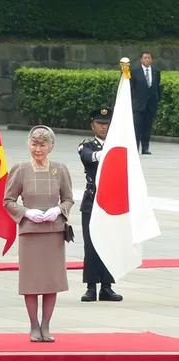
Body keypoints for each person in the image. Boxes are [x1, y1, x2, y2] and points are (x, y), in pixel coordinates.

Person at [3, 125, 74, 343]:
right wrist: (26, 212)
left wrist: (58, 210)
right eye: (34, 144)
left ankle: (46, 325)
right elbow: (8, 200)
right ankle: (33, 325)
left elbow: (68, 198)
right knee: (32, 282)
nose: (38, 149)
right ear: (28, 144)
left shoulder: (60, 169)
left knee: (51, 281)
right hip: (30, 231)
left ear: (51, 146)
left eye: (43, 144)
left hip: (53, 232)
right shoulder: (20, 169)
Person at [77, 108, 123, 302]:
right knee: (91, 244)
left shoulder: (119, 145)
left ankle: (107, 286)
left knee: (109, 242)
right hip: (93, 200)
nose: (104, 127)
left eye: (107, 123)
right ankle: (90, 286)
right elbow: (89, 157)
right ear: (92, 125)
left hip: (111, 201)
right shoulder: (86, 145)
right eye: (100, 123)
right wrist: (110, 151)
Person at [130, 51, 162, 155]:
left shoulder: (156, 71)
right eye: (145, 58)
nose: (147, 60)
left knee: (147, 127)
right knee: (137, 127)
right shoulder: (135, 72)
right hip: (139, 104)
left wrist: (157, 100)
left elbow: (157, 87)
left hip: (151, 104)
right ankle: (135, 147)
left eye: (149, 58)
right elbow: (131, 88)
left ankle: (145, 147)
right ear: (141, 59)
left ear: (151, 59)